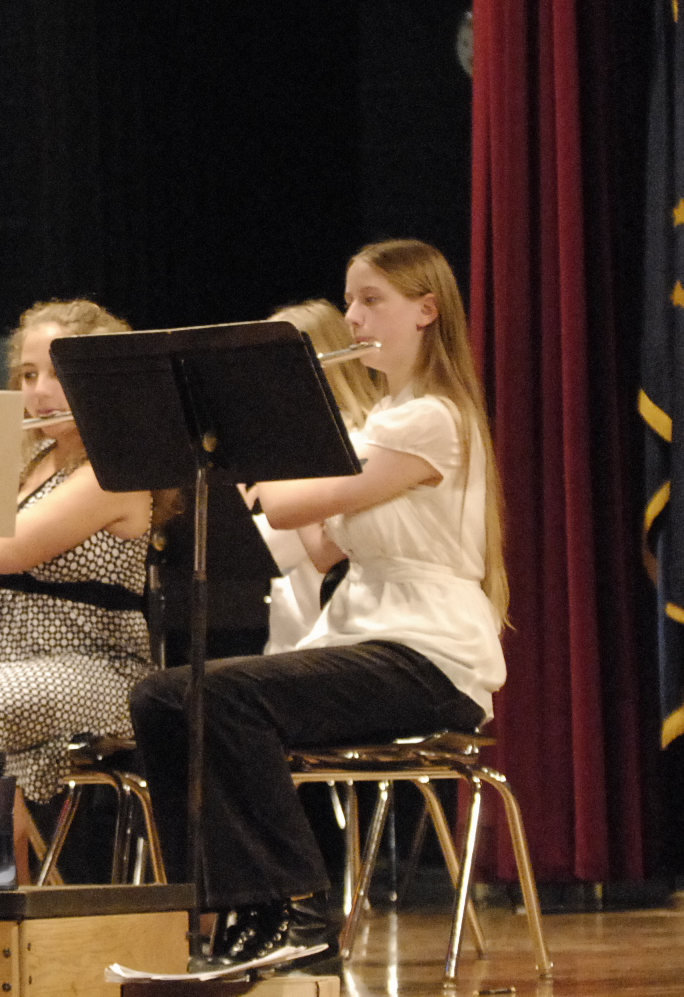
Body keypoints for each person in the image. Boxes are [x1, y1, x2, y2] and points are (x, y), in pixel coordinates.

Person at [128, 239, 507, 977]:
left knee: (225, 697)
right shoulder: (382, 419)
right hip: (367, 635)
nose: (354, 317)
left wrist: (256, 417)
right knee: (162, 697)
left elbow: (291, 504)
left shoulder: (431, 418)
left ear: (426, 311)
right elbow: (319, 538)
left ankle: (298, 910)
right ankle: (228, 911)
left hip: (430, 655)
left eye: (372, 300)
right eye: (350, 300)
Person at [0, 299, 158, 877]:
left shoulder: (113, 471)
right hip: (1, 659)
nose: (40, 392)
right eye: (29, 375)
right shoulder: (31, 462)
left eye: (58, 375)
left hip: (95, 665)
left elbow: (8, 550)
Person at [257, 299, 380, 653]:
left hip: (344, 644)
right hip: (295, 643)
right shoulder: (299, 444)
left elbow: (286, 549)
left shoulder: (354, 441)